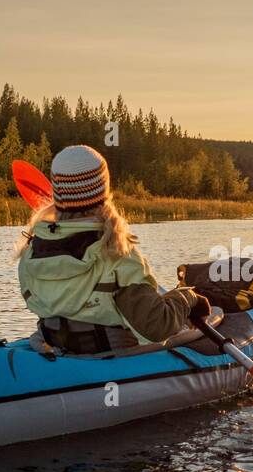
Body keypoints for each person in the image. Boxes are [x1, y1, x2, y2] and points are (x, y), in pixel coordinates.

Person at [16, 145, 211, 353]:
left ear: (58, 194)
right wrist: (187, 298)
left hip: (62, 355)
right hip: (113, 360)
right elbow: (156, 327)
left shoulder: (30, 253)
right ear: (104, 191)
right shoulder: (118, 256)